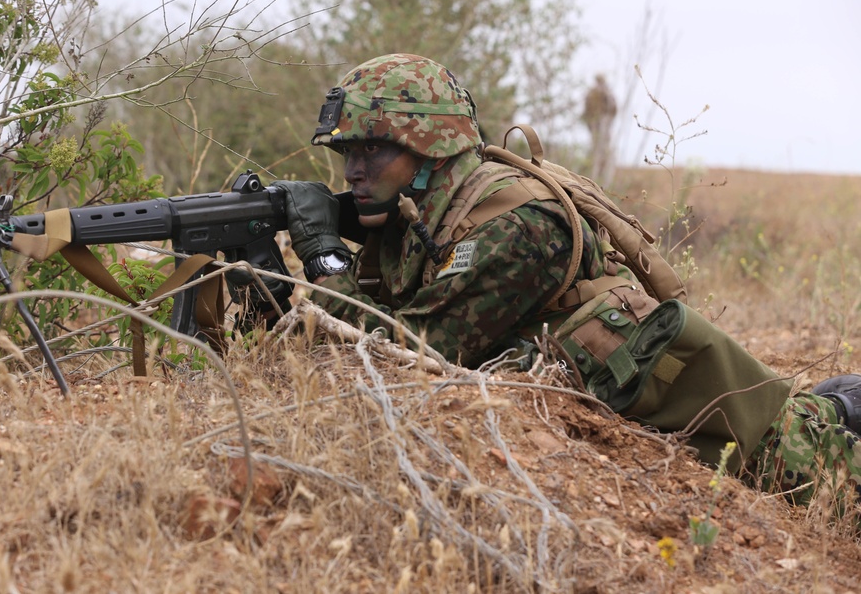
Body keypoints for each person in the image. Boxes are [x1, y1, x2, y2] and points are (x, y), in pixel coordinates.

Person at [269, 53, 861, 513]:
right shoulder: (424, 212)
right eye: (347, 151)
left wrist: (323, 255)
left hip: (725, 428)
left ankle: (834, 411)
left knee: (821, 458)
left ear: (430, 145)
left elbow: (415, 350)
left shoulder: (515, 226)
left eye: (371, 148)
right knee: (824, 412)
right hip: (650, 403)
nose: (352, 170)